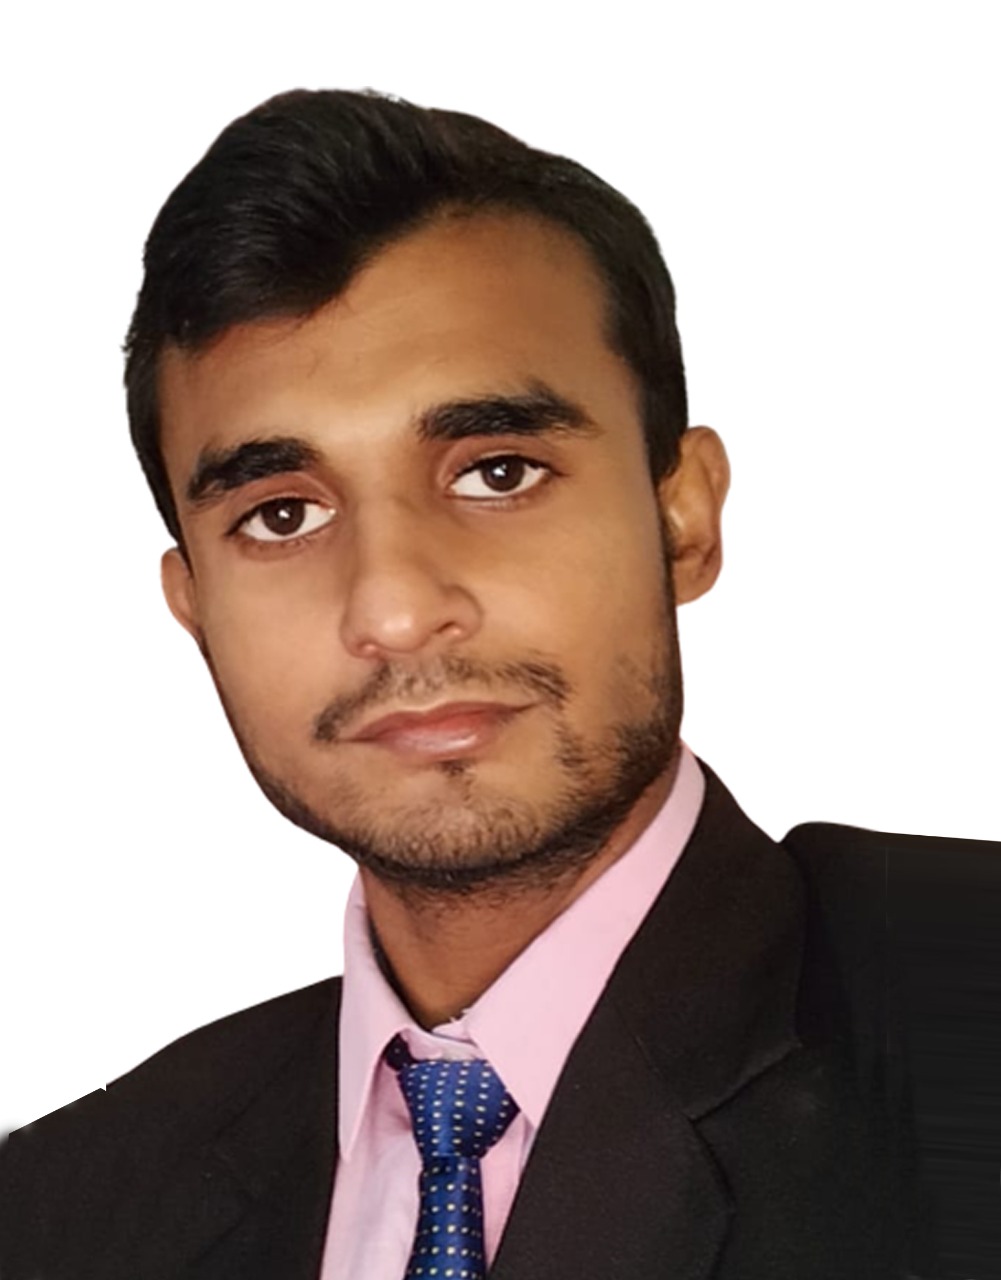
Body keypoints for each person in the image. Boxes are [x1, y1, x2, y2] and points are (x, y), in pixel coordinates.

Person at [0, 88, 996, 1280]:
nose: (392, 608)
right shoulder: (61, 1209)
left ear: (681, 518)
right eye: (281, 514)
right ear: (194, 605)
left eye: (497, 471)